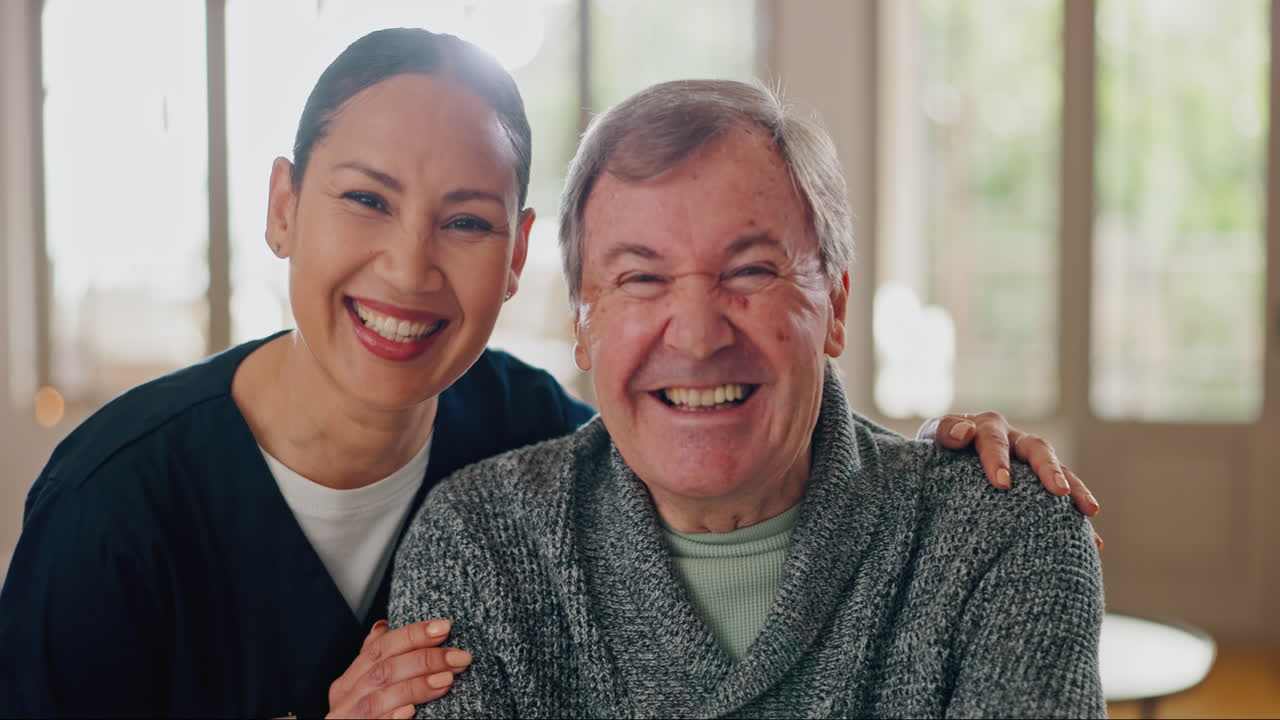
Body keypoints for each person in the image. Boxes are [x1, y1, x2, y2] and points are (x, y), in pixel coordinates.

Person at [0, 30, 1094, 719]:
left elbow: (702, 425)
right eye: (365, 199)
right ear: (282, 206)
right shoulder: (115, 508)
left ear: (518, 256)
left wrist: (943, 469)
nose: (408, 267)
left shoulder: (532, 430)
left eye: (466, 220)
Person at [389, 79, 1105, 718]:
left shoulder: (1002, 533)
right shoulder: (479, 542)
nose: (698, 337)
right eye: (642, 279)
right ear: (582, 324)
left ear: (836, 307)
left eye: (751, 271)